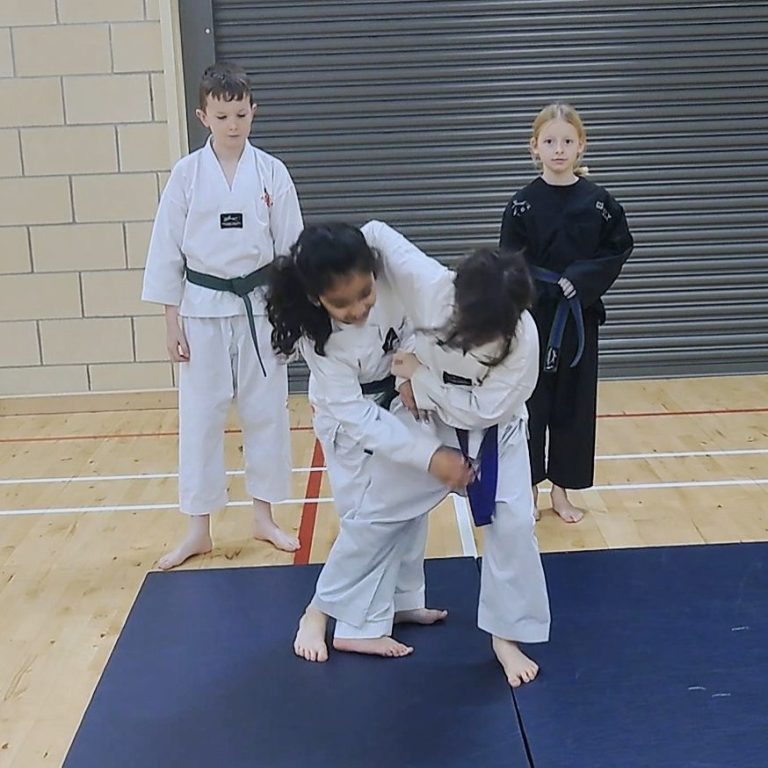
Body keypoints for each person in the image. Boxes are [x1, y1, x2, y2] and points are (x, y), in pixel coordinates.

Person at [267, 222, 473, 661]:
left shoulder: (389, 273)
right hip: (348, 424)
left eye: (365, 294)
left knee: (406, 507)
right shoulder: (320, 341)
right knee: (369, 519)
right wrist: (431, 456)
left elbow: (414, 326)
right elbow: (358, 418)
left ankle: (401, 601)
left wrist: (409, 371)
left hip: (397, 396)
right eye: (341, 304)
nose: (358, 309)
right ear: (316, 299)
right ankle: (327, 615)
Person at [142, 62, 303, 569]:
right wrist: (171, 322)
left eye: (240, 114)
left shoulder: (272, 172)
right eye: (222, 116)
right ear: (203, 117)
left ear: (253, 111)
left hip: (261, 309)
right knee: (201, 417)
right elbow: (167, 252)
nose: (233, 124)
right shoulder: (186, 175)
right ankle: (198, 528)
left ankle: (264, 516)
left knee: (266, 411)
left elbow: (291, 251)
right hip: (202, 309)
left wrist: (291, 319)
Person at [500, 102, 633, 523]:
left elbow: (618, 249)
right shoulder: (522, 204)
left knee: (573, 405)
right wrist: (538, 291)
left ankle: (561, 491)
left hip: (579, 316)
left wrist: (581, 279)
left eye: (567, 141)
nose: (559, 149)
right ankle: (530, 490)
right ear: (534, 147)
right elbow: (510, 260)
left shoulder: (600, 204)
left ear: (581, 146)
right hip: (535, 317)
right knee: (531, 403)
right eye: (550, 141)